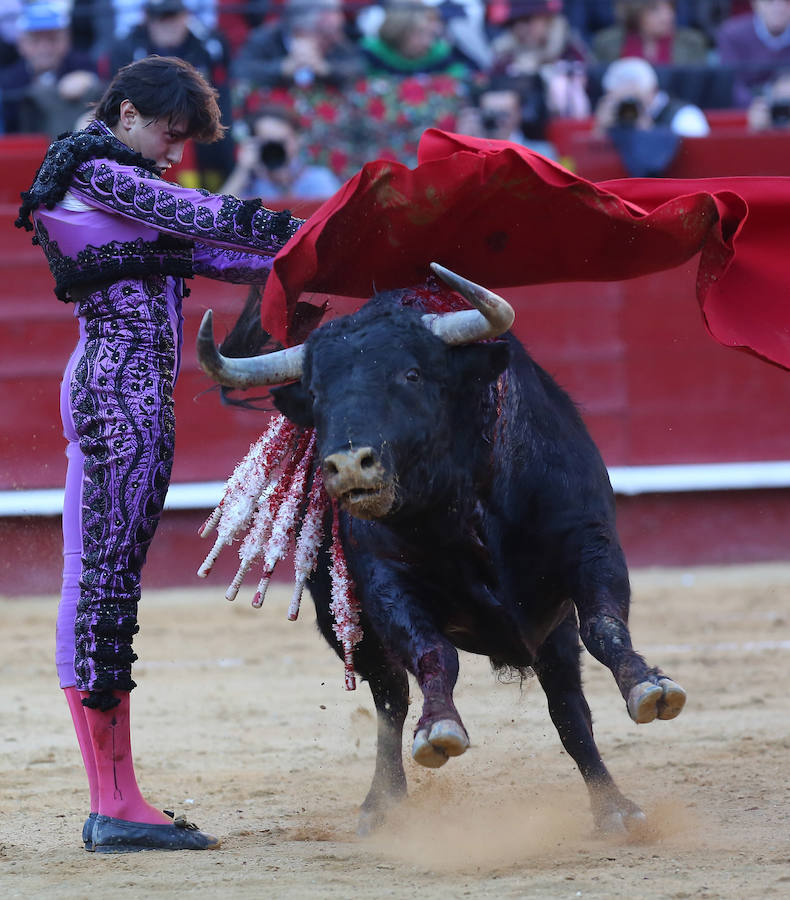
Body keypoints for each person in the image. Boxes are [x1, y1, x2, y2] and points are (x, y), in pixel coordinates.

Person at [15, 55, 305, 853]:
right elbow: (206, 221)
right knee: (103, 587)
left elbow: (222, 254)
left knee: (100, 582)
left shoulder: (113, 183)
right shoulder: (99, 167)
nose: (173, 152)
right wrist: (309, 232)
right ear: (129, 112)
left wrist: (330, 260)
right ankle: (113, 805)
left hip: (122, 392)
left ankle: (116, 798)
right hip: (121, 395)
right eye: (170, 135)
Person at [102, 0, 234, 187]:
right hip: (149, 120)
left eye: (173, 16)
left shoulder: (211, 44)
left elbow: (224, 91)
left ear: (186, 15)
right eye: (161, 18)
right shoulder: (126, 47)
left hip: (198, 122)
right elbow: (114, 98)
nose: (168, 24)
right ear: (147, 18)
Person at [594, 56, 709, 176]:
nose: (628, 110)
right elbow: (594, 166)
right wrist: (601, 128)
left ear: (653, 90)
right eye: (622, 103)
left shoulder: (684, 116)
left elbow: (699, 161)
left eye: (632, 101)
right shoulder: (614, 119)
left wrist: (647, 131)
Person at [0, 1, 101, 134]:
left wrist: (89, 80)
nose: (44, 48)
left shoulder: (83, 65)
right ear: (21, 43)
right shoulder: (8, 80)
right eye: (35, 40)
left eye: (53, 39)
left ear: (67, 39)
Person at [232, 0, 365, 90]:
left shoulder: (336, 40)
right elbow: (239, 70)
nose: (336, 38)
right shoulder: (265, 38)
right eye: (324, 34)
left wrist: (326, 69)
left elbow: (359, 69)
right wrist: (281, 68)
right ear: (300, 31)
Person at [221, 104, 342, 201]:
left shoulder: (319, 180)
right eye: (268, 143)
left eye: (281, 141)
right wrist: (242, 170)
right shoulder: (249, 185)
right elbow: (215, 219)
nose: (276, 149)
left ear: (297, 140)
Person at [359, 0, 477, 76]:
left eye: (432, 34)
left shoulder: (443, 57)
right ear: (398, 32)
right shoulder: (370, 55)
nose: (428, 42)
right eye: (420, 34)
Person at [717, 0, 790, 106]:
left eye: (787, 2)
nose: (779, 8)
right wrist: (753, 105)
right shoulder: (732, 34)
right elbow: (730, 83)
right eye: (770, 1)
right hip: (747, 112)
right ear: (755, 4)